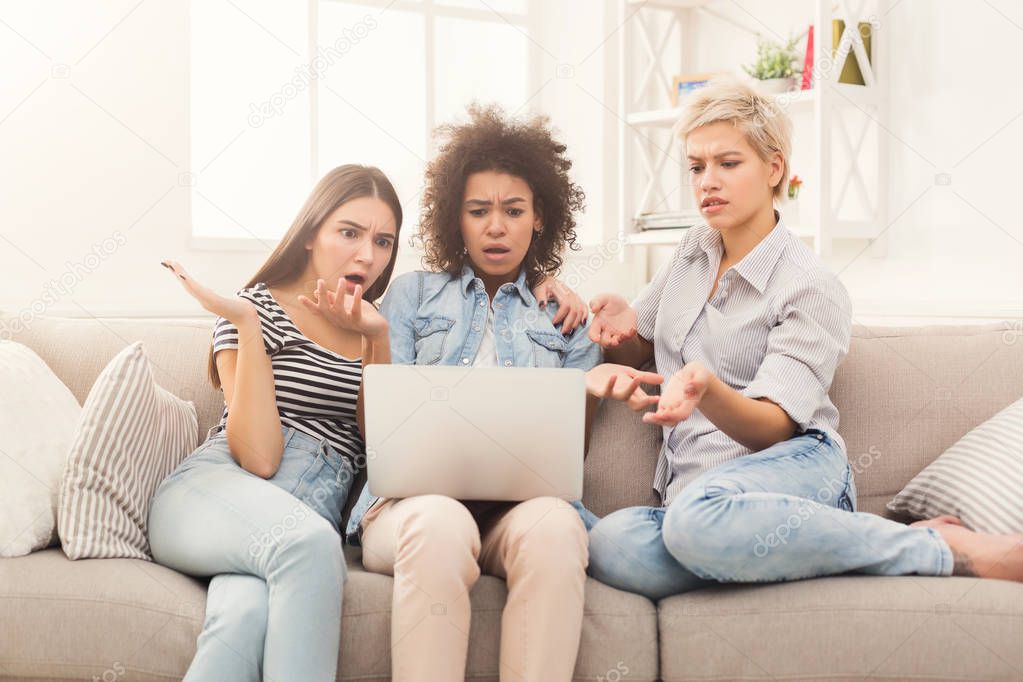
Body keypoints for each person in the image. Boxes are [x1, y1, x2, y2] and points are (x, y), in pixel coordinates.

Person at [584, 78, 1023, 601]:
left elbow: (774, 427)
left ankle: (934, 546)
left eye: (728, 163)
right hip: (695, 498)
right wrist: (622, 329)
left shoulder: (810, 285)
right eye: (697, 167)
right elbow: (642, 345)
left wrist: (707, 388)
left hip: (795, 464)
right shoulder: (691, 252)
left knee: (693, 522)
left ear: (774, 169)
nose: (707, 182)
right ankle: (800, 549)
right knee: (612, 545)